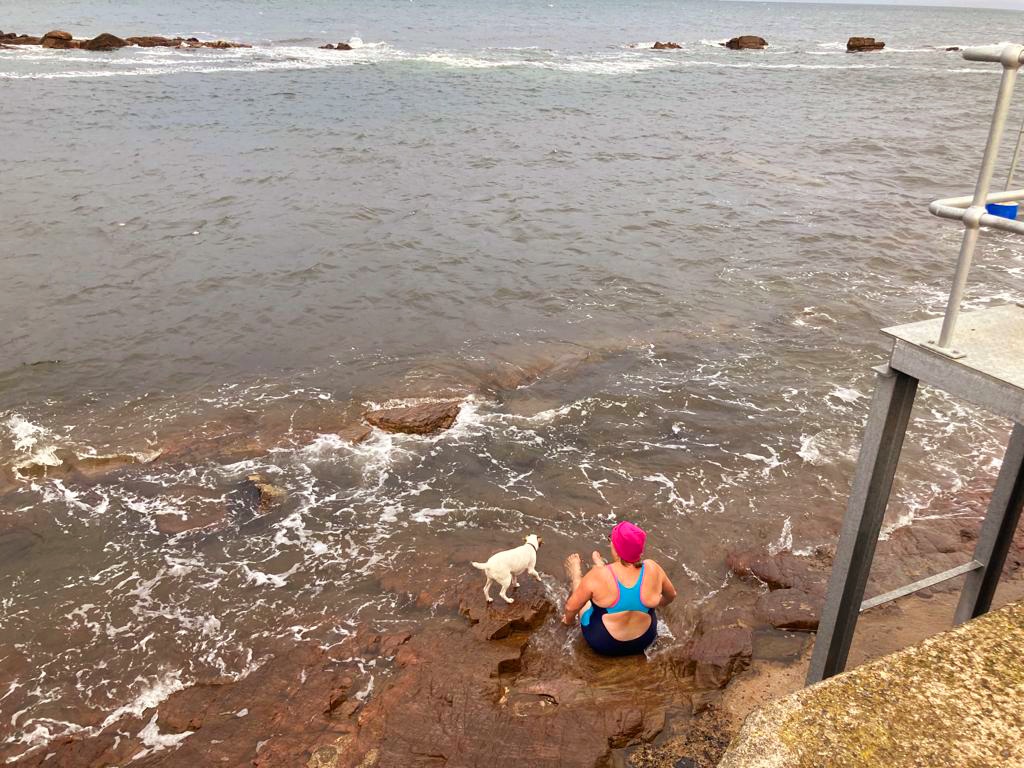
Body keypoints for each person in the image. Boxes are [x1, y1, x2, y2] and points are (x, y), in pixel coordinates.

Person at [561, 520, 677, 657]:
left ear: (616, 548)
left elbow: (570, 607)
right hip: (644, 640)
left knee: (583, 599)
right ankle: (600, 564)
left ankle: (576, 573)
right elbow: (671, 596)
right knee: (603, 585)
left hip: (605, 643)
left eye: (611, 540)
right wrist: (654, 602)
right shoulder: (653, 568)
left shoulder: (598, 576)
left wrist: (567, 621)